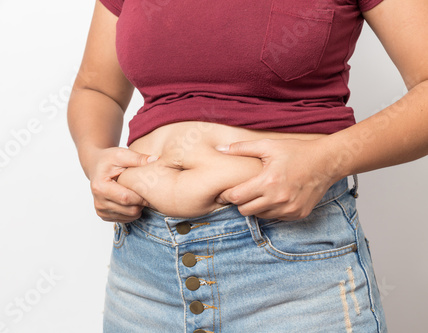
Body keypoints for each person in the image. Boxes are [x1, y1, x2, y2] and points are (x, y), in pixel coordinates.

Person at [67, 0, 428, 331]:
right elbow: (96, 88)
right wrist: (94, 157)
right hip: (142, 273)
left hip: (293, 271)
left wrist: (324, 162)